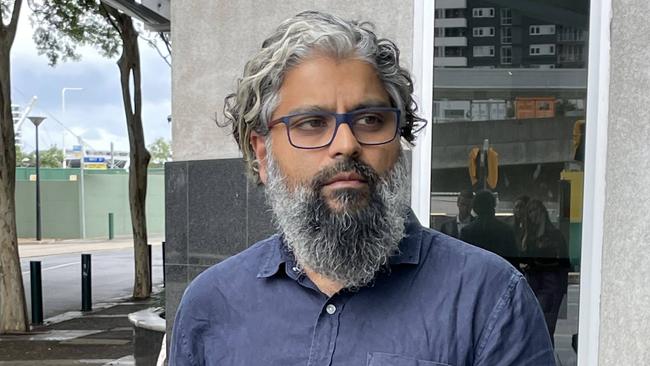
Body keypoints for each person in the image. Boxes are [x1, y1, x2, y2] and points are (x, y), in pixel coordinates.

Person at [170, 11, 554, 365]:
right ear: (263, 155)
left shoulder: (488, 300)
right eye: (311, 123)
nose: (347, 143)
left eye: (370, 119)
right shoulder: (211, 305)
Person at [522, 199, 570, 347]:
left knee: (546, 328)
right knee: (534, 327)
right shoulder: (529, 235)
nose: (532, 215)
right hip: (534, 283)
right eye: (530, 211)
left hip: (550, 284)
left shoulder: (554, 235)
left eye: (535, 210)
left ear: (542, 212)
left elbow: (562, 261)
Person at [460, 190, 519, 269]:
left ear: (475, 208)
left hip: (477, 275)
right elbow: (513, 262)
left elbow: (464, 262)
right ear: (493, 206)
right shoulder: (506, 230)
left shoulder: (466, 232)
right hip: (500, 274)